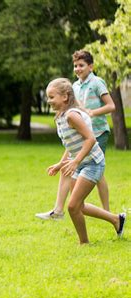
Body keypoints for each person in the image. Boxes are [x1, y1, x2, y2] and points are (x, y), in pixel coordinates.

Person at [36, 50, 116, 220]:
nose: (78, 69)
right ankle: (58, 210)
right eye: (75, 66)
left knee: (96, 171)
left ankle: (108, 213)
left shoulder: (97, 82)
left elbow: (111, 106)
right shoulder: (75, 86)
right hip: (78, 133)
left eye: (81, 65)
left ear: (91, 67)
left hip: (97, 132)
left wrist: (91, 113)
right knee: (74, 167)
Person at [44, 78, 125, 244]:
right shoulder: (61, 116)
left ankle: (84, 243)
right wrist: (61, 164)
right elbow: (71, 145)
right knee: (78, 206)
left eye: (52, 97)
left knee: (72, 206)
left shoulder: (72, 116)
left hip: (93, 163)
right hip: (81, 163)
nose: (48, 100)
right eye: (48, 97)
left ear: (65, 97)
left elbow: (90, 139)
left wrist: (75, 162)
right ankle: (116, 220)